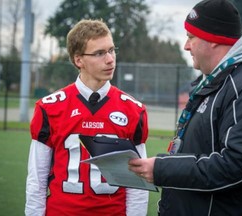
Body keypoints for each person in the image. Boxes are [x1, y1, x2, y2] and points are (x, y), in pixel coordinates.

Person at [129, 0, 242, 215]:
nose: (186, 46)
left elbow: (239, 165)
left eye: (191, 37)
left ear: (213, 39)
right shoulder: (213, 80)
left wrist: (162, 168)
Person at [25, 19, 149, 216]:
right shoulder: (49, 108)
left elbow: (137, 186)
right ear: (78, 60)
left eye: (111, 50)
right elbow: (37, 180)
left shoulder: (133, 110)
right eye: (99, 53)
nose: (110, 59)